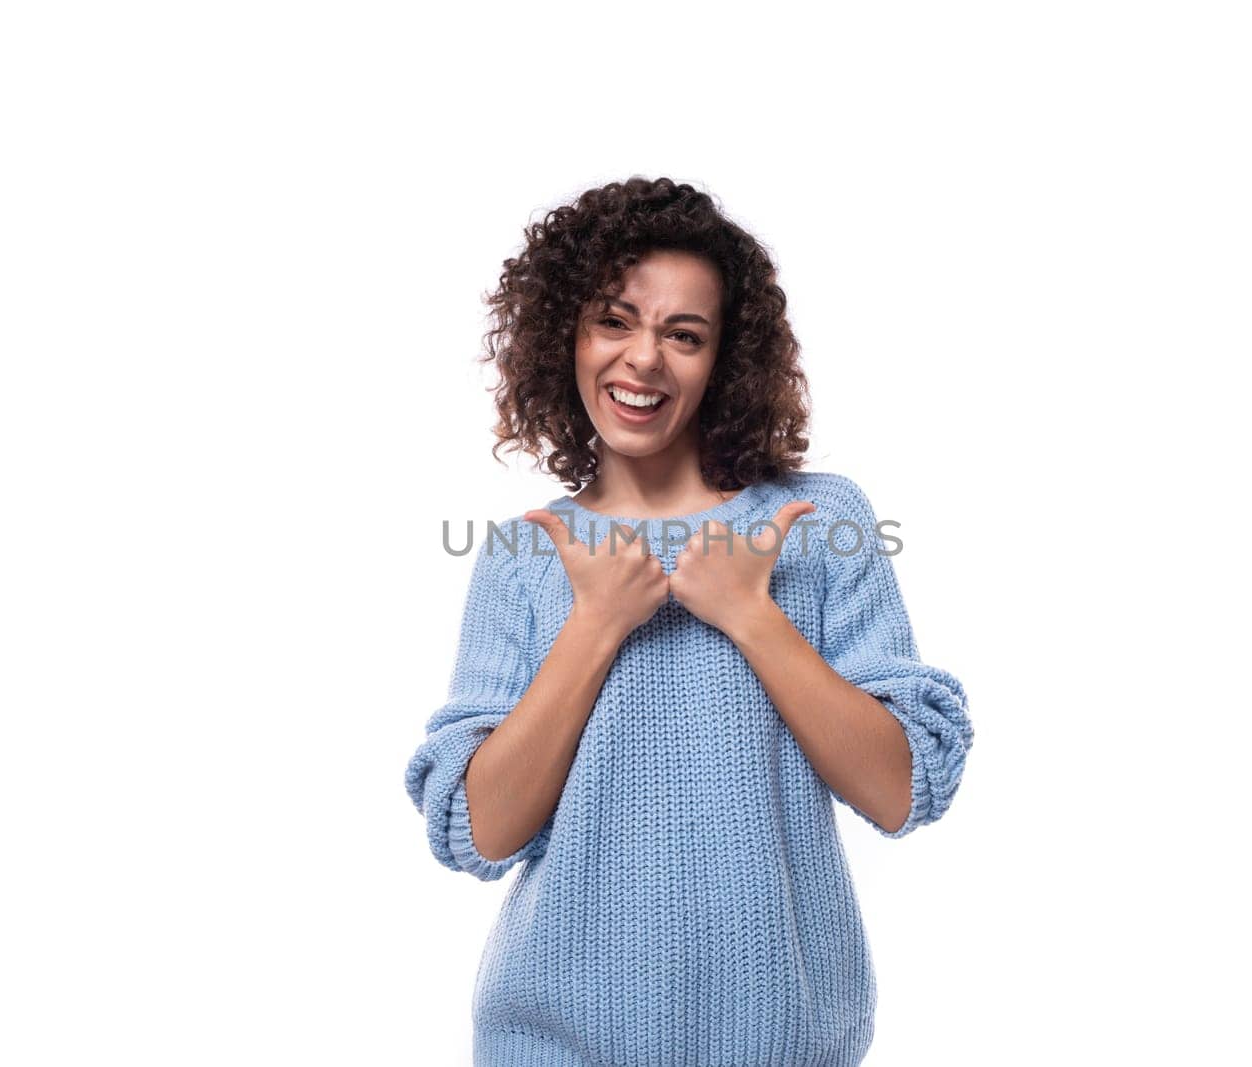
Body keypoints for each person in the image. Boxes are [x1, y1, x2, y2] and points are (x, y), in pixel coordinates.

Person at [406, 176, 974, 1066]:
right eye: (615, 320)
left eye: (685, 334)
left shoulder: (820, 522)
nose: (643, 360)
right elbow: (479, 834)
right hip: (552, 1043)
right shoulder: (525, 554)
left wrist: (752, 613)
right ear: (568, 336)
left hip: (782, 1042)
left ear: (725, 362)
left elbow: (900, 792)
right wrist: (596, 623)